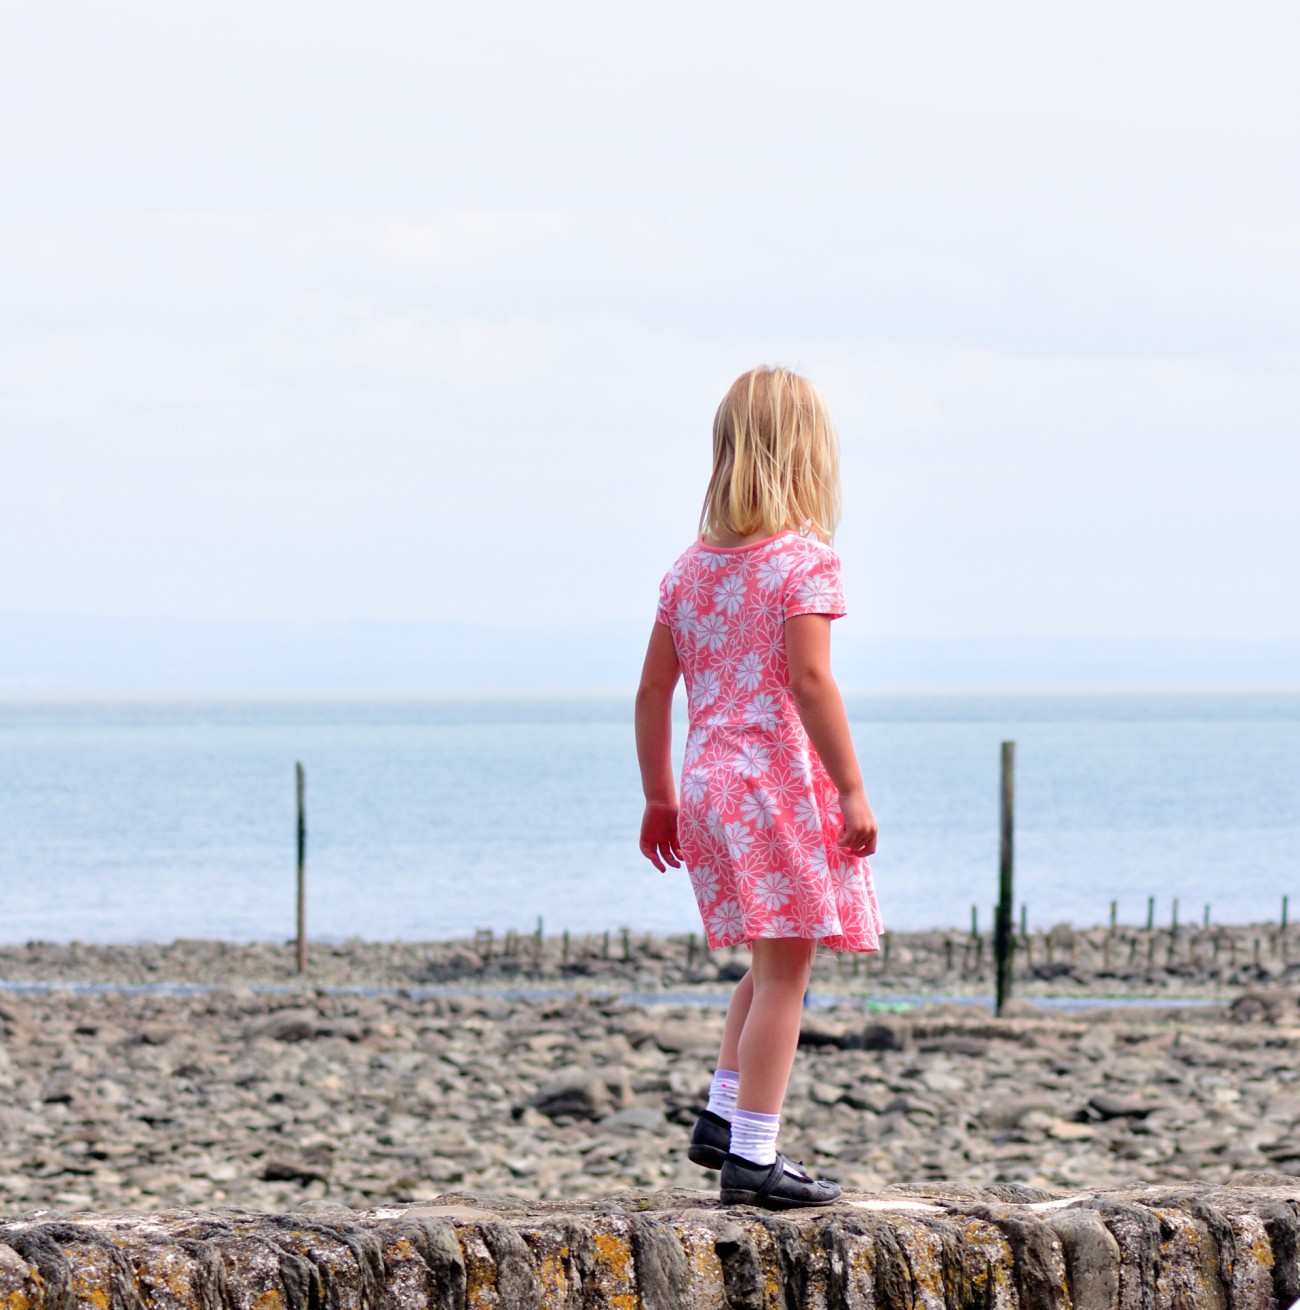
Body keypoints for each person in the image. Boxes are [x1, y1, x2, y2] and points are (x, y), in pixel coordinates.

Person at [635, 365, 883, 1210]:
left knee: (770, 955)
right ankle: (755, 1156)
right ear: (808, 455)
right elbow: (810, 682)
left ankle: (723, 1112)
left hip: (707, 784)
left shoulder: (689, 571)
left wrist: (659, 797)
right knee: (787, 976)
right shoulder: (804, 562)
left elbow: (650, 692)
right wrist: (851, 790)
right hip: (775, 784)